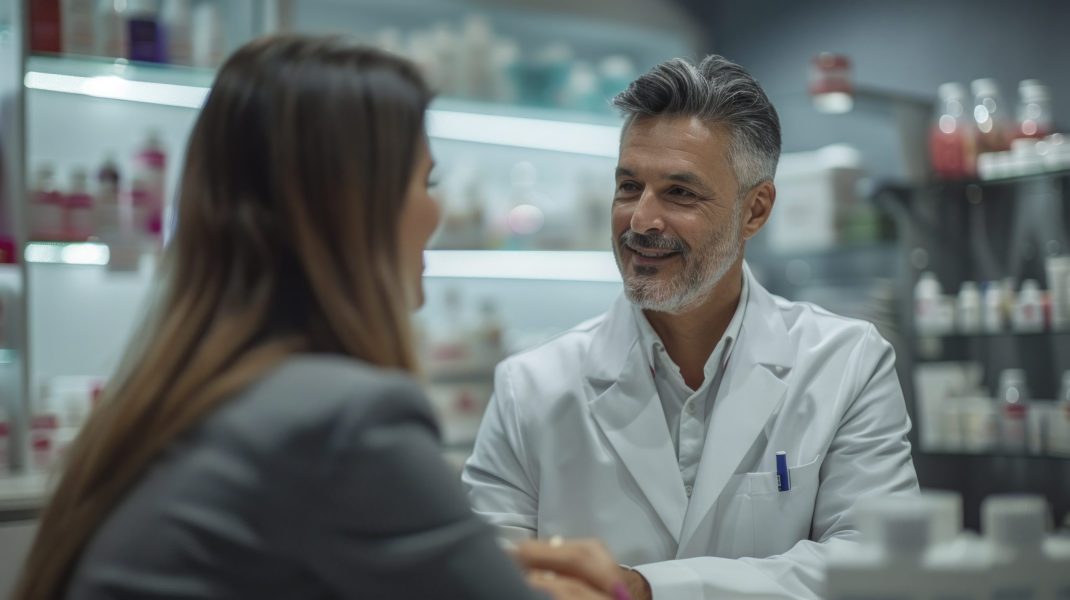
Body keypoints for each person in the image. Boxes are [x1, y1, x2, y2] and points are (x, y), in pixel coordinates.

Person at [14, 35, 630, 600]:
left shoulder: (189, 397)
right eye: (426, 179)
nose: (436, 214)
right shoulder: (344, 419)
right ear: (352, 204)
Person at [462, 55, 920, 600]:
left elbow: (875, 565)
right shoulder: (530, 388)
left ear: (756, 210)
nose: (640, 221)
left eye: (679, 193)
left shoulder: (847, 363)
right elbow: (486, 577)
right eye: (629, 186)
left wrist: (648, 589)